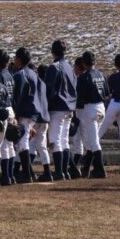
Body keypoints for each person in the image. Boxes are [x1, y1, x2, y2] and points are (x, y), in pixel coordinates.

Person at [11, 48, 46, 184]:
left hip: (25, 110)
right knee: (23, 141)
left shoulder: (20, 75)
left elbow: (18, 96)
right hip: (34, 110)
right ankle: (29, 172)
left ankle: (27, 173)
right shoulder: (33, 73)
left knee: (22, 142)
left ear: (19, 59)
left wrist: (15, 113)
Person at [45, 40, 77, 181]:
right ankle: (64, 171)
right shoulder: (70, 67)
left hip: (57, 106)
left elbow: (48, 88)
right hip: (70, 106)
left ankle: (59, 171)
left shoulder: (54, 67)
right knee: (64, 140)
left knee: (55, 139)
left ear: (53, 52)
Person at [75, 51, 109, 179]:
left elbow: (80, 97)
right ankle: (86, 168)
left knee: (93, 141)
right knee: (92, 140)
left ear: (84, 63)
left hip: (90, 108)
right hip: (101, 107)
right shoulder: (102, 75)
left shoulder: (84, 77)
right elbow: (106, 92)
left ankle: (100, 169)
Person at [0, 50, 17, 185]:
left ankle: (5, 175)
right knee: (9, 144)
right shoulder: (10, 74)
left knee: (2, 146)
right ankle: (10, 175)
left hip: (3, 109)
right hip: (11, 108)